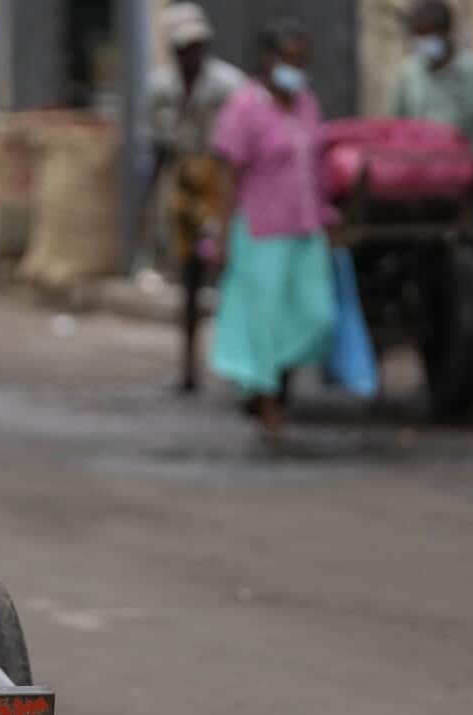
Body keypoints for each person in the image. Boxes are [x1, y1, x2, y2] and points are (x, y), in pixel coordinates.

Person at [207, 18, 338, 435]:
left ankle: (271, 378)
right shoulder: (245, 107)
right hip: (262, 232)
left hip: (305, 226)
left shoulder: (307, 103)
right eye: (289, 60)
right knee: (264, 320)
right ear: (269, 60)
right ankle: (268, 403)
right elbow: (227, 174)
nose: (296, 68)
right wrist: (223, 235)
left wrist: (328, 216)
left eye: (302, 60)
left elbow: (315, 165)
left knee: (316, 314)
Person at [390, 0, 473, 383]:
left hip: (465, 191)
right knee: (416, 267)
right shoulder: (408, 75)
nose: (425, 42)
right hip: (418, 193)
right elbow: (396, 133)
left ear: (446, 32)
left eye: (430, 34)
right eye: (418, 34)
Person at [143, 1, 244, 393]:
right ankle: (189, 368)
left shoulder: (228, 85)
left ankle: (238, 366)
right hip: (184, 184)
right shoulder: (160, 88)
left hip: (219, 181)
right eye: (184, 46)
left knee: (229, 276)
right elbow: (158, 150)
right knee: (187, 279)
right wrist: (149, 208)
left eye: (196, 44)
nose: (191, 53)